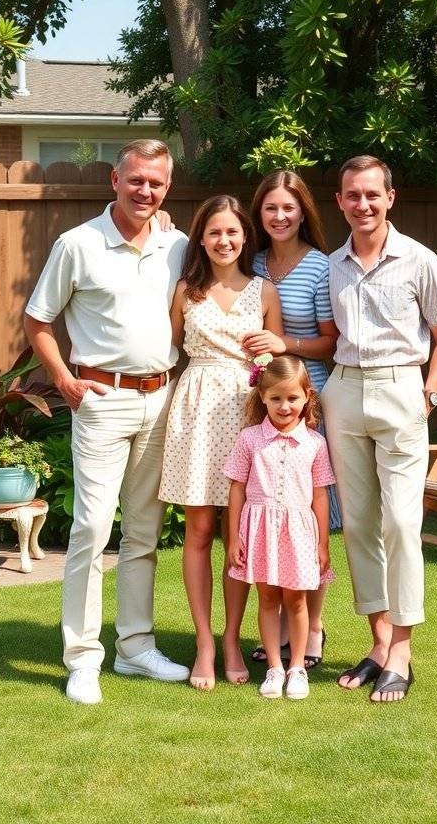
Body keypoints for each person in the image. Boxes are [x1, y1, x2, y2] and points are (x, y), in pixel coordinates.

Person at [24, 139, 190, 705]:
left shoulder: (178, 243)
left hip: (160, 398)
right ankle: (83, 659)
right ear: (114, 180)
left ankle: (136, 649)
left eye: (157, 183)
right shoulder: (79, 244)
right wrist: (64, 380)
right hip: (100, 400)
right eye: (136, 180)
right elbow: (37, 320)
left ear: (168, 187)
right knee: (92, 530)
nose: (146, 191)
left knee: (144, 533)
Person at [321, 154, 437, 703]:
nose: (363, 204)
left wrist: (430, 391)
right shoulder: (333, 264)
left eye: (372, 194)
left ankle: (403, 646)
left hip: (403, 388)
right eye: (353, 195)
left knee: (401, 523)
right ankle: (379, 642)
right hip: (345, 391)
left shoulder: (420, 260)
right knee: (356, 525)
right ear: (340, 202)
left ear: (390, 198)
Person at [158, 195, 283, 691]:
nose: (224, 241)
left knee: (240, 534)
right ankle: (204, 643)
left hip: (248, 413)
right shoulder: (186, 291)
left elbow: (278, 364)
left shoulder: (264, 291)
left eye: (233, 232)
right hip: (195, 411)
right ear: (201, 238)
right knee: (200, 530)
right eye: (214, 233)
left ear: (245, 237)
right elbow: (167, 349)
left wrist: (273, 349)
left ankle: (232, 638)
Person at [242, 170, 339, 669]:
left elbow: (331, 341)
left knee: (303, 515)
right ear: (258, 214)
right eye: (270, 208)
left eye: (289, 208)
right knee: (269, 512)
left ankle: (313, 626)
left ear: (304, 212)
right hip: (263, 404)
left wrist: (287, 344)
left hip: (308, 400)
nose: (280, 217)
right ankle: (276, 627)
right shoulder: (251, 261)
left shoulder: (320, 267)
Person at [226, 355, 335, 700]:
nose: (284, 406)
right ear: (262, 397)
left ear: (307, 398)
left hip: (300, 532)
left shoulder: (316, 443)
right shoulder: (249, 439)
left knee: (298, 600)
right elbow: (237, 489)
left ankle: (297, 666)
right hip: (259, 530)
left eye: (292, 398)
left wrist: (322, 544)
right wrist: (233, 539)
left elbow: (320, 496)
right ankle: (274, 666)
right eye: (276, 398)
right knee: (268, 598)